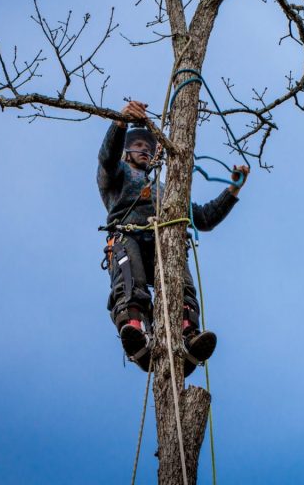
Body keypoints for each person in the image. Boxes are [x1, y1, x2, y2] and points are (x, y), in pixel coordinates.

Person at [98, 99, 249, 375]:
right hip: (128, 234)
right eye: (139, 146)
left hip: (164, 240)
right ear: (127, 151)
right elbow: (107, 158)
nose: (145, 149)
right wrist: (120, 123)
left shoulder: (167, 190)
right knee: (130, 279)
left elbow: (203, 218)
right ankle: (135, 329)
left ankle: (187, 334)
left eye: (150, 147)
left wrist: (232, 191)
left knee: (180, 283)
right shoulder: (117, 175)